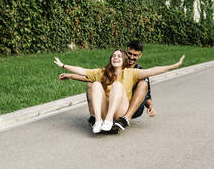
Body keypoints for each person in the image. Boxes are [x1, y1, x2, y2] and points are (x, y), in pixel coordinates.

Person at [54, 49, 185, 133]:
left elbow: (153, 70)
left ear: (124, 61)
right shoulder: (102, 72)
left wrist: (175, 65)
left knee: (117, 85)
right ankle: (98, 121)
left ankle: (110, 120)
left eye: (119, 56)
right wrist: (64, 66)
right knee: (95, 85)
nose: (116, 58)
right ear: (111, 60)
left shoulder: (131, 73)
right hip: (105, 110)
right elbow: (83, 71)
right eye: (113, 56)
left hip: (120, 111)